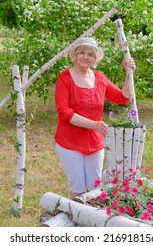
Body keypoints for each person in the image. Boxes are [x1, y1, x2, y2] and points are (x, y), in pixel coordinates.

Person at [54, 37, 136, 199]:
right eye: (82, 53)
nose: (85, 57)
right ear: (75, 55)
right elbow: (64, 112)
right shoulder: (64, 78)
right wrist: (94, 124)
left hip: (94, 142)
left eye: (90, 54)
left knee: (95, 187)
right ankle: (77, 219)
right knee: (77, 188)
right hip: (70, 141)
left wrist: (128, 73)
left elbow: (122, 97)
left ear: (95, 58)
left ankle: (91, 221)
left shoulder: (100, 78)